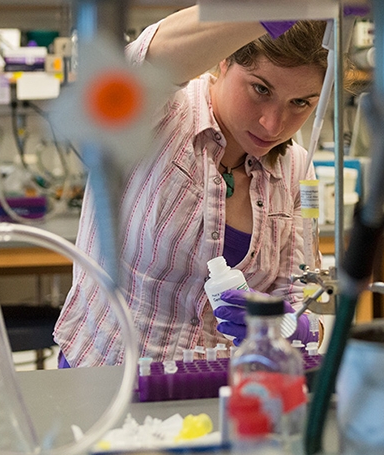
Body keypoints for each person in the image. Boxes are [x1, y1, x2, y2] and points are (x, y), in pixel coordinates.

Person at [54, 6, 331, 367]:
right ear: (223, 63)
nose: (273, 123)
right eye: (260, 89)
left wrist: (301, 327)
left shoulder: (295, 169)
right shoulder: (164, 115)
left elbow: (299, 291)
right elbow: (142, 63)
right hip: (108, 377)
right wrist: (269, 7)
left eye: (301, 103)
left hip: (216, 389)